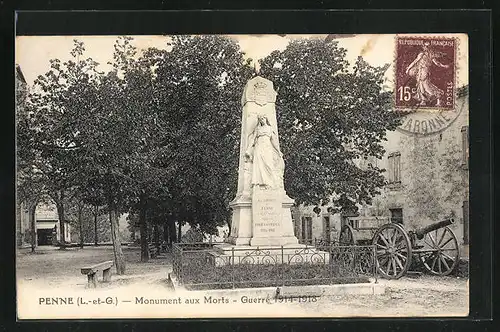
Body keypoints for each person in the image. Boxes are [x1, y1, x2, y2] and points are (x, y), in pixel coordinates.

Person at [244, 115, 284, 189]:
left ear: (266, 119)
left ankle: (270, 183)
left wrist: (278, 151)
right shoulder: (258, 129)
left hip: (267, 148)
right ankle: (259, 183)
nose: (262, 120)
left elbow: (274, 141)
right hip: (259, 147)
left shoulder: (270, 128)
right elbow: (253, 139)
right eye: (260, 119)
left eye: (263, 118)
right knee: (259, 165)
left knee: (268, 165)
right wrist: (248, 149)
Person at [405, 42, 450, 107]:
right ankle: (423, 101)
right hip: (420, 72)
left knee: (427, 87)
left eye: (428, 46)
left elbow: (437, 63)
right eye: (426, 46)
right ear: (423, 47)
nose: (426, 48)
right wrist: (408, 69)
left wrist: (444, 66)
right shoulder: (424, 54)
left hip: (424, 71)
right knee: (421, 87)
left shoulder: (428, 54)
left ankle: (439, 98)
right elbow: (415, 62)